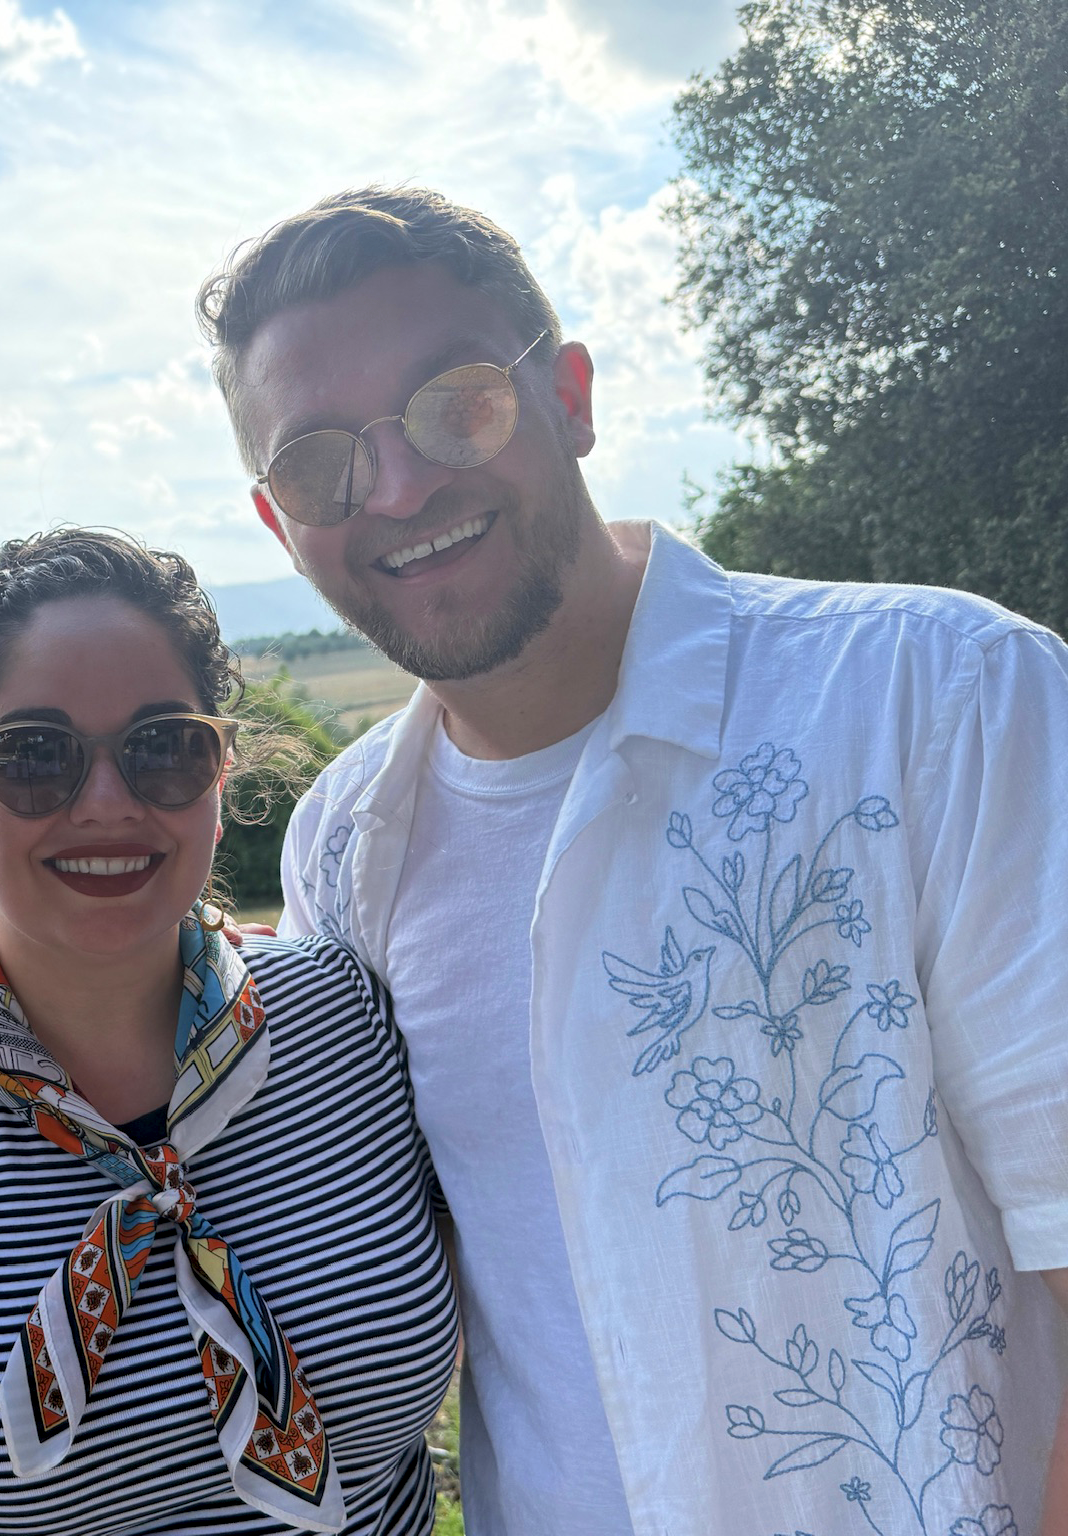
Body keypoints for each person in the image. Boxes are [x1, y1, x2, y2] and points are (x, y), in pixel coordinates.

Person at [197, 184, 1068, 1536]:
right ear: (277, 522)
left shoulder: (943, 702)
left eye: (456, 403)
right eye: (322, 463)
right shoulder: (348, 846)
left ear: (574, 398)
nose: (406, 485)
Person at [0, 529, 459, 1536]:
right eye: (35, 757)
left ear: (217, 772)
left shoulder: (347, 1020)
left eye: (163, 746)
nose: (108, 804)